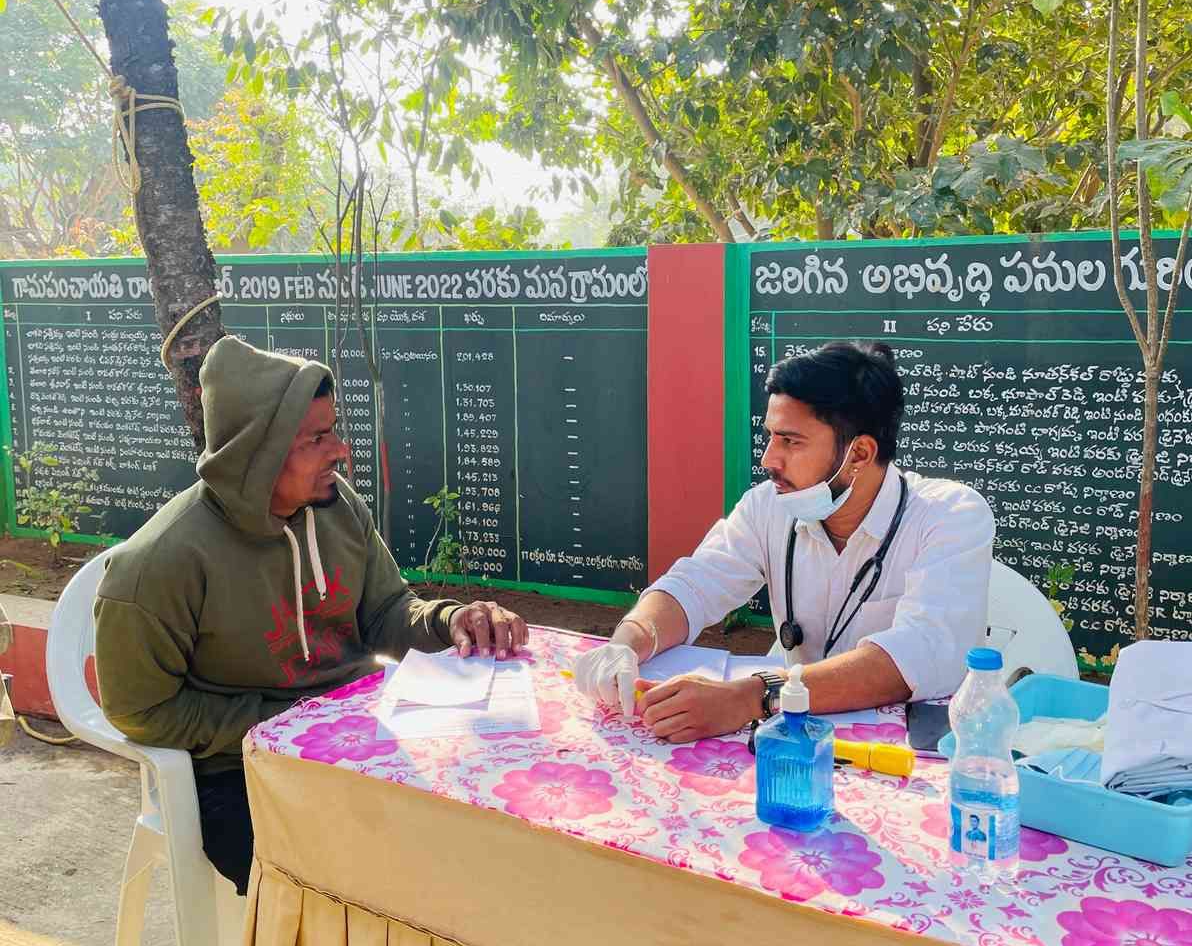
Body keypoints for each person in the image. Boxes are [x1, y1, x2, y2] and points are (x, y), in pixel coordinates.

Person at [94, 336, 526, 893]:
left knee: (482, 834)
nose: (341, 451)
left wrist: (450, 623)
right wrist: (284, 721)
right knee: (373, 888)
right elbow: (141, 710)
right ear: (259, 450)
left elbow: (387, 612)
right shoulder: (160, 565)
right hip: (240, 775)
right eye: (317, 438)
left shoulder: (336, 506)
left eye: (334, 430)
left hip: (355, 746)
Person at [572, 340, 994, 742]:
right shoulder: (769, 506)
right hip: (786, 742)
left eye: (791, 441)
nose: (768, 459)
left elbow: (919, 654)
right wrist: (627, 643)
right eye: (771, 435)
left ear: (860, 454)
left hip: (898, 764)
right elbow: (693, 585)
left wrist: (752, 696)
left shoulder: (950, 517)